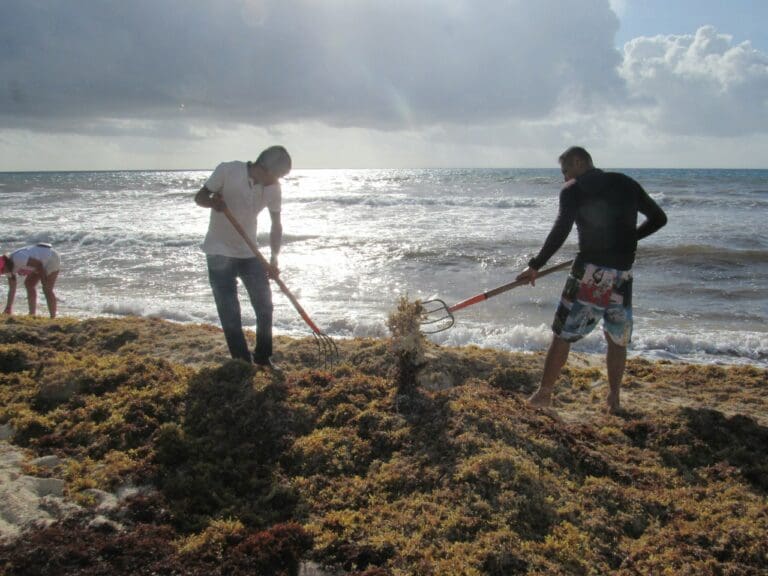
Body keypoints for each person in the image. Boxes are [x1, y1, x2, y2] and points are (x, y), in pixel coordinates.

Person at [516, 146, 667, 413]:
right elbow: (659, 218)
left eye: (565, 171)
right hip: (623, 275)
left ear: (578, 161)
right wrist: (631, 238)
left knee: (562, 334)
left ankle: (543, 394)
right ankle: (614, 399)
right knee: (617, 338)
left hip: (590, 275)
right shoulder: (627, 183)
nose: (564, 178)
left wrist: (536, 265)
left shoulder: (574, 189)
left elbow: (561, 228)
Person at [195, 145, 292, 369]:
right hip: (219, 251)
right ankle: (241, 361)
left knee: (265, 305)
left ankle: (262, 356)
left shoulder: (273, 189)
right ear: (265, 167)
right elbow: (199, 197)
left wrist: (274, 259)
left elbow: (276, 224)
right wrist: (213, 203)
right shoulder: (228, 171)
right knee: (230, 311)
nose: (278, 180)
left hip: (249, 253)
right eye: (278, 175)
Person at [1, 243, 61, 318]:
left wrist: (43, 280)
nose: (3, 272)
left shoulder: (18, 258)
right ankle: (32, 314)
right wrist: (8, 308)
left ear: (5, 264)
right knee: (29, 284)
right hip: (39, 263)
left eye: (2, 270)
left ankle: (53, 317)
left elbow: (39, 264)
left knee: (47, 289)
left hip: (51, 258)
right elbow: (12, 289)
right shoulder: (8, 269)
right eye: (1, 272)